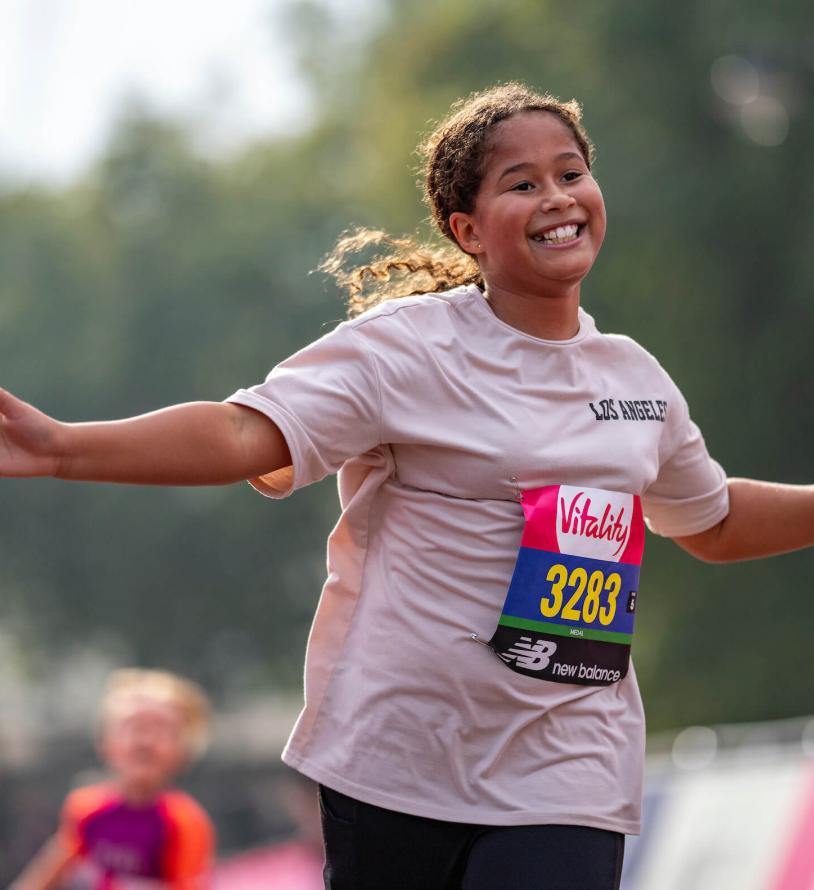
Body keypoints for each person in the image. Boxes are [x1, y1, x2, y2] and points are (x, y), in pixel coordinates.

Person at [1, 82, 812, 890]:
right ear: (467, 231)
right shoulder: (408, 351)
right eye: (522, 184)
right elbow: (247, 432)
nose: (557, 198)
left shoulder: (637, 383)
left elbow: (714, 521)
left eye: (571, 174)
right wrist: (63, 447)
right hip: (398, 762)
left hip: (570, 771)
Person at [11, 669, 215, 890]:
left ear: (183, 753)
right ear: (104, 743)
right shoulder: (86, 808)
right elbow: (49, 872)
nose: (144, 740)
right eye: (132, 726)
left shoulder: (183, 822)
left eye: (160, 728)